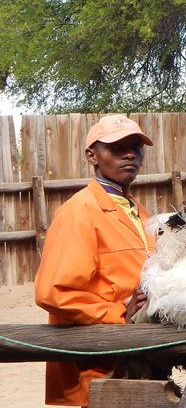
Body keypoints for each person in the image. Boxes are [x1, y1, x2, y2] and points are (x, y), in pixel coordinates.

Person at [34, 114, 155, 407]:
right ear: (92, 156)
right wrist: (118, 314)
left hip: (138, 360)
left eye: (136, 147)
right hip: (97, 366)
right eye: (117, 147)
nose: (130, 154)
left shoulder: (140, 213)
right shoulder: (79, 212)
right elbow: (53, 292)